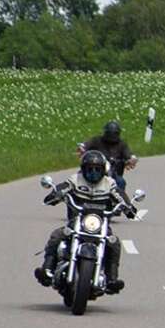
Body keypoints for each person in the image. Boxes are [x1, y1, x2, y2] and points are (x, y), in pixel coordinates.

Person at [35, 150, 135, 292]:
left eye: (97, 169)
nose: (93, 173)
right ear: (83, 169)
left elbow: (120, 194)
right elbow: (63, 187)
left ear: (103, 170)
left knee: (114, 243)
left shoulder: (109, 183)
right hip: (76, 221)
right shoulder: (75, 180)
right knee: (57, 236)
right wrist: (55, 194)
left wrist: (128, 207)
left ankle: (112, 279)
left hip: (100, 224)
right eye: (90, 169)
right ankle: (47, 270)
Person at [78, 120, 137, 200]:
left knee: (120, 182)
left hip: (113, 173)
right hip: (94, 170)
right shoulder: (97, 140)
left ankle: (120, 201)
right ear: (105, 132)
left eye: (114, 133)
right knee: (79, 176)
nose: (112, 136)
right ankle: (76, 197)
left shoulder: (122, 144)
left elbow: (129, 154)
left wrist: (131, 160)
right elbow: (86, 145)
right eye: (109, 133)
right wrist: (82, 148)